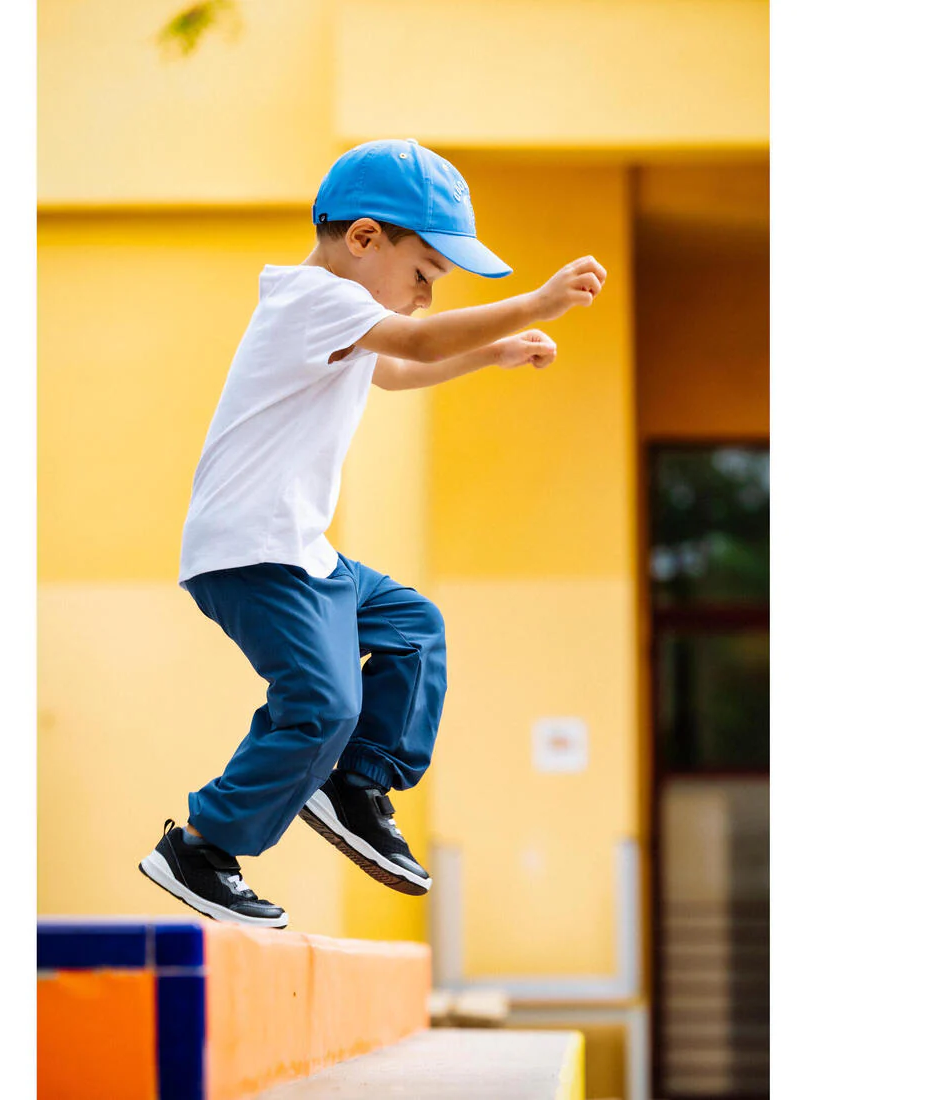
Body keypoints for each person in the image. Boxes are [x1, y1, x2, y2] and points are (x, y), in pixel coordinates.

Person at [139, 139, 607, 928]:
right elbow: (417, 343)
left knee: (413, 628)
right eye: (424, 274)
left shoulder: (341, 320)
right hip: (253, 553)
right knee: (323, 702)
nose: (425, 298)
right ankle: (201, 848)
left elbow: (399, 368)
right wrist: (534, 304)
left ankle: (354, 785)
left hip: (300, 553)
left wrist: (491, 352)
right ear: (363, 238)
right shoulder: (313, 299)